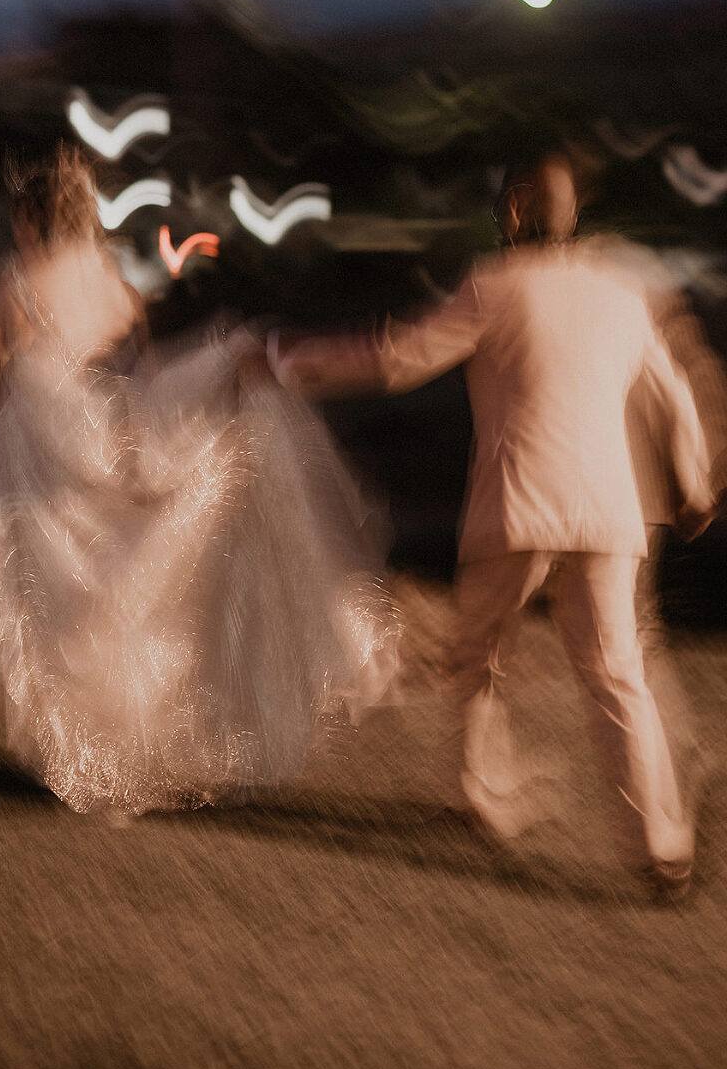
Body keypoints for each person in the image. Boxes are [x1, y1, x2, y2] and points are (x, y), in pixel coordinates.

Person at [0, 144, 393, 816]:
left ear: (29, 221)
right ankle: (138, 733)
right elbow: (137, 366)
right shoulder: (109, 275)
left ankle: (79, 744)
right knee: (129, 583)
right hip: (109, 435)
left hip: (45, 460)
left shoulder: (15, 278)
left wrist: (22, 392)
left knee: (47, 595)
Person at [276, 149, 715, 904]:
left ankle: (475, 792)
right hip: (608, 512)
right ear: (571, 215)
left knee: (476, 654)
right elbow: (672, 394)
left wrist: (290, 361)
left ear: (513, 209)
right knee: (617, 674)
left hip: (520, 505)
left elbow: (398, 360)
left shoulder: (497, 285)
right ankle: (661, 849)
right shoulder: (621, 292)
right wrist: (695, 485)